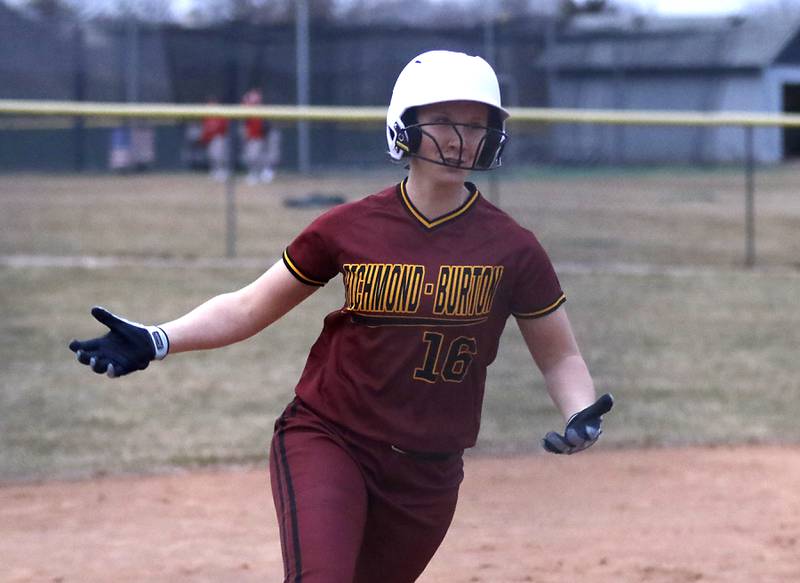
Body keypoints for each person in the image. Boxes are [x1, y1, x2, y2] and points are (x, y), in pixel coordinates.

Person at [69, 50, 614, 583]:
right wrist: (159, 339)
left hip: (430, 472)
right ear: (405, 126)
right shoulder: (348, 227)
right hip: (332, 439)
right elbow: (251, 305)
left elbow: (559, 354)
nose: (460, 137)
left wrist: (579, 412)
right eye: (444, 120)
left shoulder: (512, 246)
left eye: (476, 125)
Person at [240, 88, 279, 185]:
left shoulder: (263, 106)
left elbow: (269, 123)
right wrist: (245, 101)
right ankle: (254, 174)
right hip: (255, 136)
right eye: (252, 96)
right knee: (251, 156)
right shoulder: (246, 106)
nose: (255, 97)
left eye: (256, 95)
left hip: (268, 134)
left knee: (270, 155)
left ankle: (267, 172)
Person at [199, 96, 229, 182]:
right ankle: (214, 171)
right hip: (210, 138)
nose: (209, 106)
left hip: (219, 137)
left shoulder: (220, 112)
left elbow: (224, 125)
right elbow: (205, 126)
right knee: (212, 156)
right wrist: (204, 137)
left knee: (219, 155)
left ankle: (222, 171)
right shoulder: (207, 114)